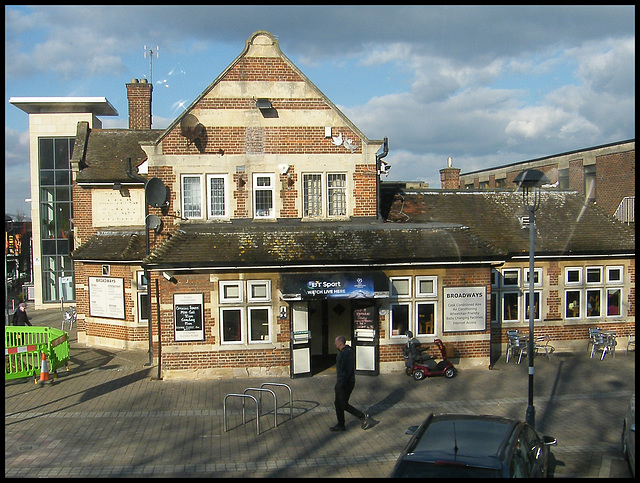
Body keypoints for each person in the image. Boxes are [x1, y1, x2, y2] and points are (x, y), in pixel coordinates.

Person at [330, 335, 371, 431]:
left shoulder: (342, 355)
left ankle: (361, 415)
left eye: (335, 342)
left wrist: (340, 384)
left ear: (340, 343)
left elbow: (344, 372)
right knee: (338, 403)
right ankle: (341, 424)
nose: (335, 344)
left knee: (342, 404)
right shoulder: (350, 351)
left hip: (345, 383)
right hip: (348, 382)